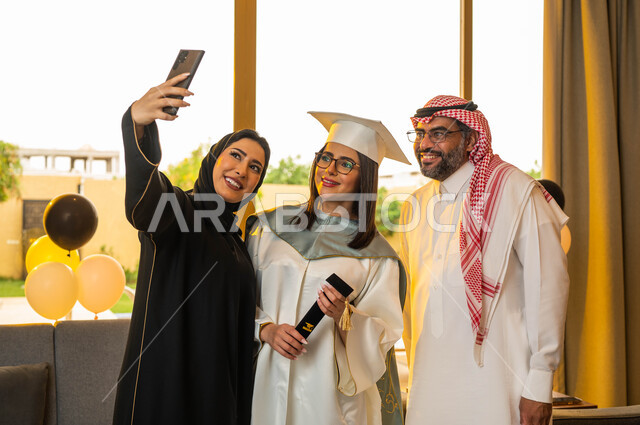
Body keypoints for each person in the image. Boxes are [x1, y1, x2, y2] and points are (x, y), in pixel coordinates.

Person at [399, 95, 570, 425]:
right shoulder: (413, 206)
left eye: (438, 133)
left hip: (498, 383)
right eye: (420, 134)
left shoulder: (516, 192)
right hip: (430, 386)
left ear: (471, 139)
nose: (424, 144)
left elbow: (548, 285)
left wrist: (539, 381)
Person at [112, 73, 270, 425]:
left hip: (218, 397)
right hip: (167, 393)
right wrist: (137, 123)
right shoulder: (179, 211)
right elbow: (143, 203)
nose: (241, 170)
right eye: (236, 155)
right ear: (214, 158)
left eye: (254, 167)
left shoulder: (236, 242)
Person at [246, 112, 409, 425]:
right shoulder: (267, 229)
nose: (330, 170)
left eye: (346, 164)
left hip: (328, 399)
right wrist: (265, 329)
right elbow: (237, 296)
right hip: (265, 381)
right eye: (325, 158)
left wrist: (344, 315)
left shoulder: (377, 258)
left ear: (366, 177)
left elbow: (382, 339)